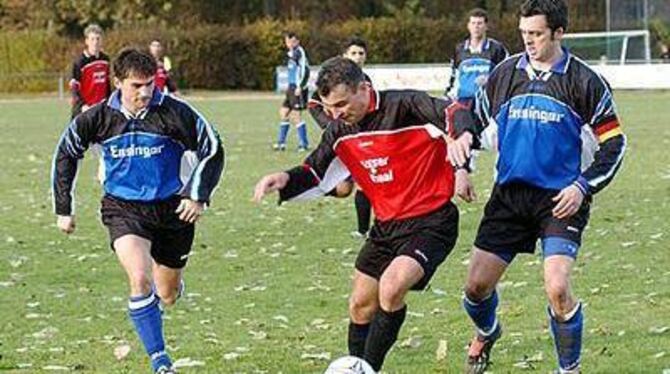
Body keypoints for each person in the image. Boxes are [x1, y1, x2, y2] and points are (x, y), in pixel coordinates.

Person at [254, 57, 476, 371]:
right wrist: (285, 179)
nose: (336, 114)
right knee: (360, 305)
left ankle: (367, 368)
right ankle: (357, 366)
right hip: (385, 226)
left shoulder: (406, 105)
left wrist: (463, 138)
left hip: (432, 221)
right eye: (330, 107)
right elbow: (315, 170)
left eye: (342, 104)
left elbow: (455, 112)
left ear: (364, 88)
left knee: (392, 286)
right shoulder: (339, 130)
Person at [447, 1, 627, 373]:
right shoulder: (504, 73)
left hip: (561, 199)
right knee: (475, 289)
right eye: (524, 34)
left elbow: (615, 144)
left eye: (537, 34)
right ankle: (488, 331)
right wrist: (462, 162)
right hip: (509, 197)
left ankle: (568, 369)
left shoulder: (584, 81)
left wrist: (582, 186)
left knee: (558, 289)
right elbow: (470, 118)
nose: (528, 42)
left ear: (559, 33)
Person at [52, 48, 225, 374]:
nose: (145, 92)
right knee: (140, 279)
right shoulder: (97, 117)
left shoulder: (175, 112)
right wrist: (65, 208)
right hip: (123, 208)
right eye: (136, 85)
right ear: (118, 83)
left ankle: (171, 287)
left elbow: (213, 147)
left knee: (167, 293)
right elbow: (66, 153)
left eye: (149, 84)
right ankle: (160, 361)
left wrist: (197, 195)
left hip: (174, 210)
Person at [308, 37, 373, 238]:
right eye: (353, 53)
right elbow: (312, 103)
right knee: (344, 189)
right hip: (341, 142)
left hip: (361, 141)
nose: (357, 57)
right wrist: (330, 127)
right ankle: (318, 185)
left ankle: (363, 231)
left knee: (363, 184)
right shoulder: (333, 79)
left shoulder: (365, 81)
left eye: (361, 53)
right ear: (345, 55)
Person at [444, 8, 508, 102]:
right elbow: (454, 78)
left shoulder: (497, 49)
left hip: (487, 102)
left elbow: (506, 75)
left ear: (486, 26)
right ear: (468, 26)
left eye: (479, 23)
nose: (476, 27)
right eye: (473, 23)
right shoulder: (459, 50)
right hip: (463, 101)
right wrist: (448, 96)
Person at [274, 32, 310, 152]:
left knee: (296, 116)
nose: (290, 44)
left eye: (293, 41)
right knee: (283, 113)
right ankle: (281, 143)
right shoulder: (291, 53)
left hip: (298, 88)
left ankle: (303, 144)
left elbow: (306, 70)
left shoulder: (299, 53)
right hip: (291, 88)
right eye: (288, 41)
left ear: (297, 42)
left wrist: (301, 86)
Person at [69, 24, 111, 119]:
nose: (95, 42)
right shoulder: (80, 62)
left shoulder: (105, 60)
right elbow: (74, 88)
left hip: (101, 108)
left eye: (98, 39)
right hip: (84, 109)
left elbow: (107, 84)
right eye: (92, 39)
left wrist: (109, 101)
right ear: (87, 41)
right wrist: (82, 105)